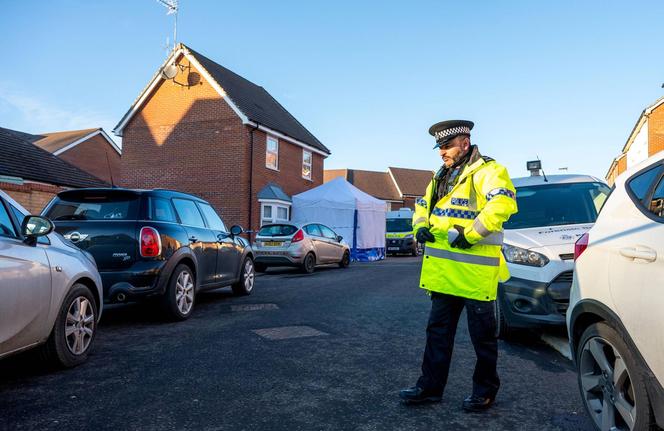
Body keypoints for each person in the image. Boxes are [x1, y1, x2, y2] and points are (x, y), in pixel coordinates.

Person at [399, 120, 518, 412]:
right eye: (439, 147)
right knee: (437, 333)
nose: (442, 152)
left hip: (476, 274)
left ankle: (485, 391)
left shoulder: (489, 171)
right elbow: (421, 207)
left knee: (483, 339)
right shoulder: (440, 176)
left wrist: (472, 234)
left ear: (465, 144)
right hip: (444, 274)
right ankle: (429, 387)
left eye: (447, 146)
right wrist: (420, 228)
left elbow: (502, 204)